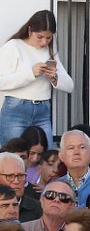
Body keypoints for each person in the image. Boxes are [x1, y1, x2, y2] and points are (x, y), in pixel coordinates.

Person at [0, 10, 72, 144]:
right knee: (14, 156)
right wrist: (31, 73)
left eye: (49, 37)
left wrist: (54, 77)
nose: (44, 42)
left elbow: (70, 86)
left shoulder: (50, 51)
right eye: (40, 37)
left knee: (46, 157)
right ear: (29, 30)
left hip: (43, 110)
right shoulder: (14, 46)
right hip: (16, 108)